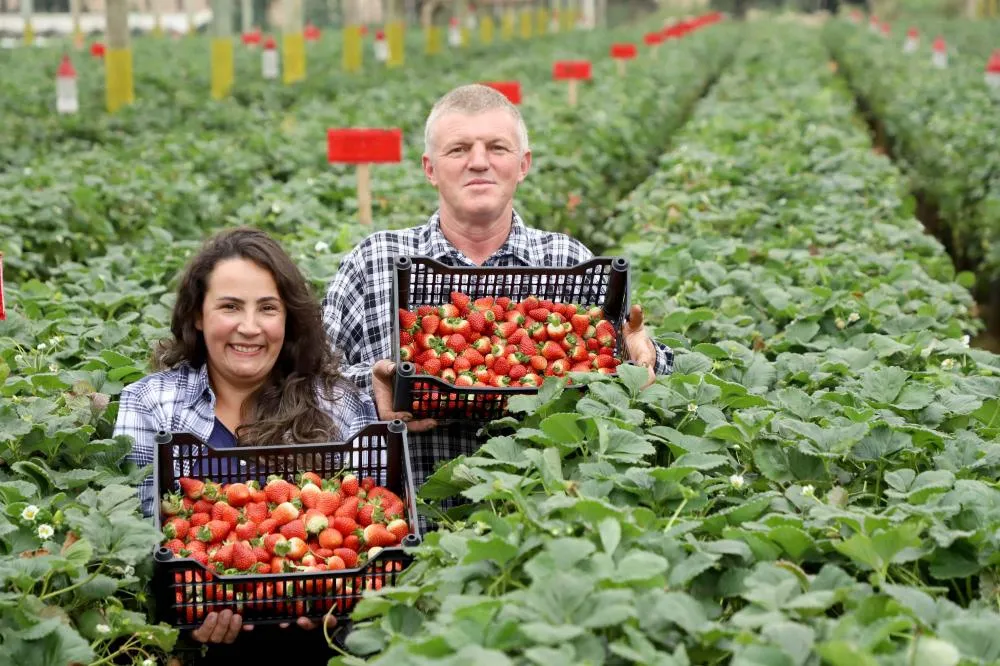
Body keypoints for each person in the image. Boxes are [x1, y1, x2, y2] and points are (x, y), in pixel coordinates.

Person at [321, 84, 674, 514]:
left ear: (522, 165)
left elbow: (631, 370)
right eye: (458, 149)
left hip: (539, 526)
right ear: (430, 169)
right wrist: (371, 392)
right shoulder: (372, 264)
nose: (479, 162)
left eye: (497, 147)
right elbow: (309, 389)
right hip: (405, 533)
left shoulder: (569, 264)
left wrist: (643, 357)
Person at [114, 227, 375, 657]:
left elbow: (366, 535)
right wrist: (186, 617)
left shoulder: (337, 403)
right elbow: (137, 541)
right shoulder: (152, 404)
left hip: (324, 648)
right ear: (198, 314)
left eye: (267, 308)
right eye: (230, 307)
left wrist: (339, 597)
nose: (250, 328)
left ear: (288, 317)